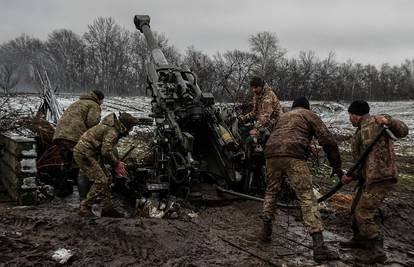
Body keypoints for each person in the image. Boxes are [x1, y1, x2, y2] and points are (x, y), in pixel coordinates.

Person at [262, 97, 345, 262]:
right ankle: (319, 246)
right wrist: (337, 168)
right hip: (293, 155)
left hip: (271, 154)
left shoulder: (283, 117)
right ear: (307, 107)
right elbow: (328, 141)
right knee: (306, 196)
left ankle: (265, 232)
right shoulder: (308, 114)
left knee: (271, 191)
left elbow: (274, 136)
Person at [340, 100, 408, 264]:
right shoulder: (358, 134)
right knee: (355, 207)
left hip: (381, 177)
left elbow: (404, 131)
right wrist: (352, 176)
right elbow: (361, 161)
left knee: (363, 212)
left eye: (350, 115)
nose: (349, 118)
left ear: (355, 115)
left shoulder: (379, 122)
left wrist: (389, 121)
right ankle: (359, 239)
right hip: (367, 178)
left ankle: (378, 249)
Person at [73, 112, 139, 218]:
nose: (131, 131)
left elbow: (106, 151)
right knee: (101, 180)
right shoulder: (113, 131)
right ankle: (85, 208)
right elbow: (106, 151)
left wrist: (116, 163)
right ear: (126, 126)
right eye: (131, 128)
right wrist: (116, 164)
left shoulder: (112, 128)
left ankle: (107, 208)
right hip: (84, 154)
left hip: (91, 153)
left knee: (107, 177)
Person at [52, 90, 104, 197]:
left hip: (60, 135)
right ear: (99, 99)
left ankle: (63, 189)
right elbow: (92, 123)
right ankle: (85, 194)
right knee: (84, 163)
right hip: (74, 136)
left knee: (66, 163)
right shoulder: (94, 105)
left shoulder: (77, 103)